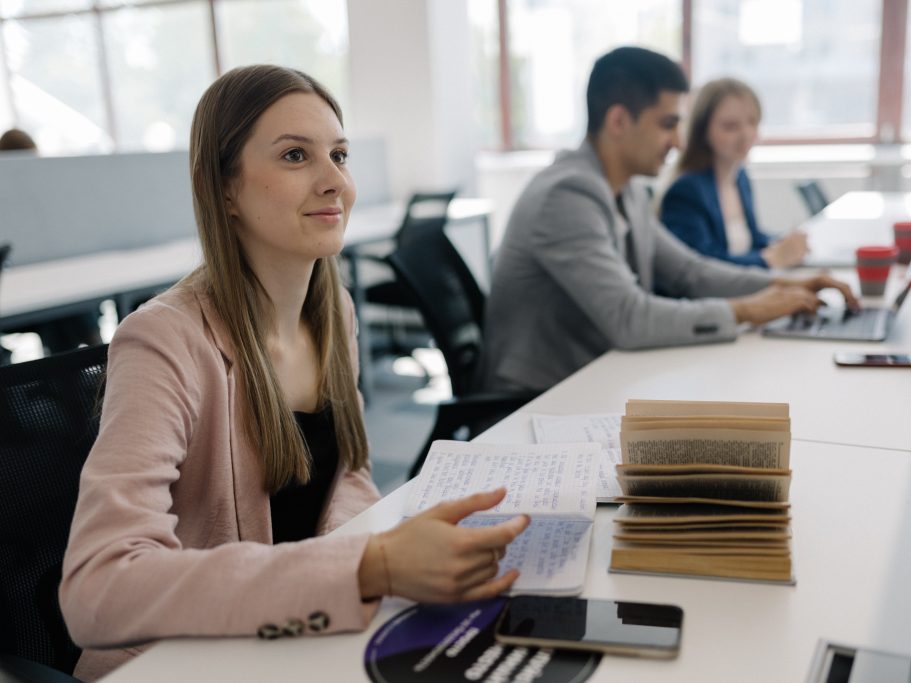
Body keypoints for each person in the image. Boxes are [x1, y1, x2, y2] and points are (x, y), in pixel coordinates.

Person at [59, 65, 529, 682]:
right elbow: (99, 587)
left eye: (338, 154)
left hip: (295, 641)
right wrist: (370, 566)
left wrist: (398, 556)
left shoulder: (334, 310)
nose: (335, 180)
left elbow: (349, 476)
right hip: (181, 663)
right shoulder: (164, 340)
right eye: (295, 156)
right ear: (225, 189)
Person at [478, 47, 856, 393]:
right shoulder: (567, 196)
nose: (678, 141)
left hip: (596, 378)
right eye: (667, 124)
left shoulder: (624, 190)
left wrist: (784, 282)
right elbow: (630, 318)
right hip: (540, 399)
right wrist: (747, 309)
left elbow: (690, 272)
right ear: (619, 121)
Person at [660, 78, 808, 269]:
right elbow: (700, 270)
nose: (746, 134)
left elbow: (751, 239)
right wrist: (770, 260)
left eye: (752, 122)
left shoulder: (739, 176)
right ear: (703, 130)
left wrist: (784, 244)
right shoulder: (686, 190)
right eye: (731, 126)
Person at [0, 128, 104, 353]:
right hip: (16, 301)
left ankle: (86, 369)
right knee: (67, 314)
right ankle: (99, 358)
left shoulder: (39, 198)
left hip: (43, 290)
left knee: (70, 306)